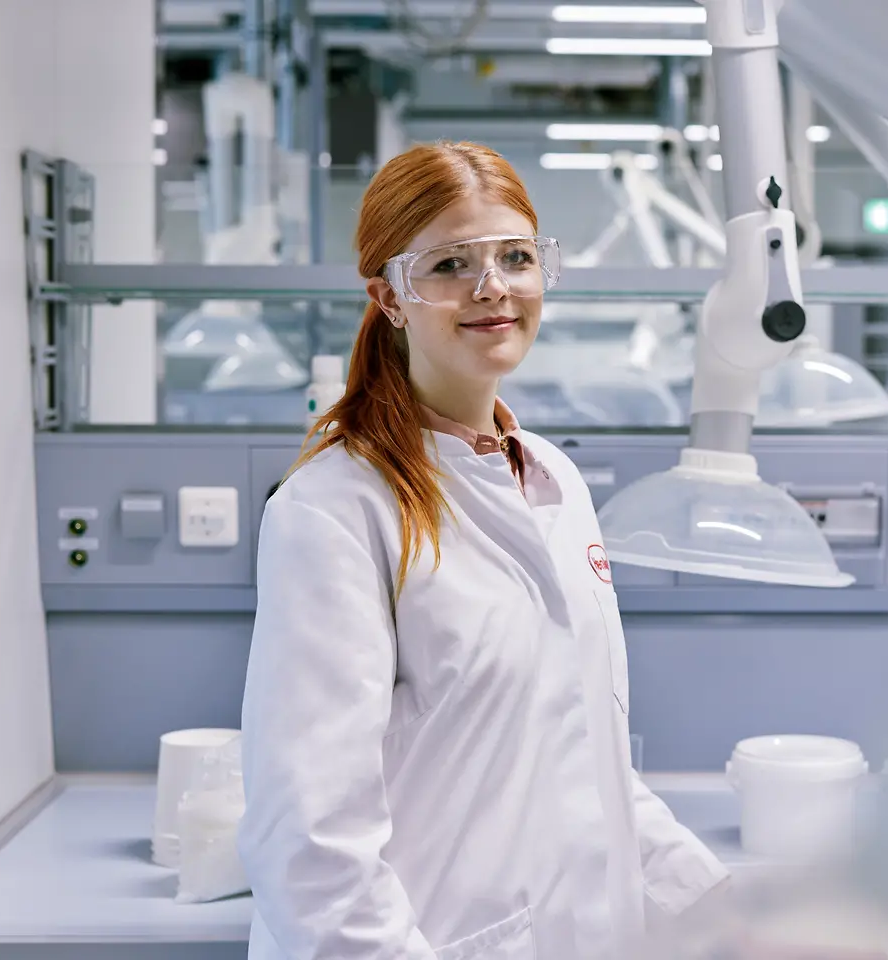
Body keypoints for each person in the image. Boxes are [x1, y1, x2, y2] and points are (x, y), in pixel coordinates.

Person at [237, 141, 730, 960]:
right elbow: (310, 844)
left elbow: (589, 766)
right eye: (449, 265)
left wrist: (727, 914)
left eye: (515, 257)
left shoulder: (555, 480)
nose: (492, 286)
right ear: (389, 297)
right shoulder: (333, 511)